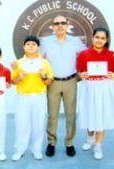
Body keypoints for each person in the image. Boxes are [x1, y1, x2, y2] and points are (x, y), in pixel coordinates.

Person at [40, 14, 87, 157]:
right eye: (56, 23)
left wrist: (110, 55)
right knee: (52, 115)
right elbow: (37, 58)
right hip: (53, 83)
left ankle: (69, 143)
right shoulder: (46, 42)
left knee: (70, 115)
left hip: (70, 82)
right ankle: (51, 143)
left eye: (62, 23)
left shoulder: (76, 41)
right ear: (52, 26)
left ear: (67, 25)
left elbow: (89, 55)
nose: (60, 25)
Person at [77, 27, 114, 160]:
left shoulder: (112, 55)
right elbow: (79, 71)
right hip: (89, 87)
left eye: (102, 38)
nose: (99, 40)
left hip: (105, 87)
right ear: (92, 38)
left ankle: (98, 145)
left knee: (101, 115)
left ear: (106, 40)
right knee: (90, 113)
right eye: (97, 37)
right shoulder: (84, 54)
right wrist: (81, 74)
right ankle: (90, 139)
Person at [11, 35, 53, 161]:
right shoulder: (18, 63)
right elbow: (13, 81)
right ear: (23, 46)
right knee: (21, 124)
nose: (30, 46)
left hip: (39, 97)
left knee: (39, 124)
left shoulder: (44, 62)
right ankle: (19, 150)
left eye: (33, 44)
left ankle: (37, 149)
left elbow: (49, 82)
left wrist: (44, 75)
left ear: (38, 47)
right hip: (23, 97)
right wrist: (20, 77)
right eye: (28, 44)